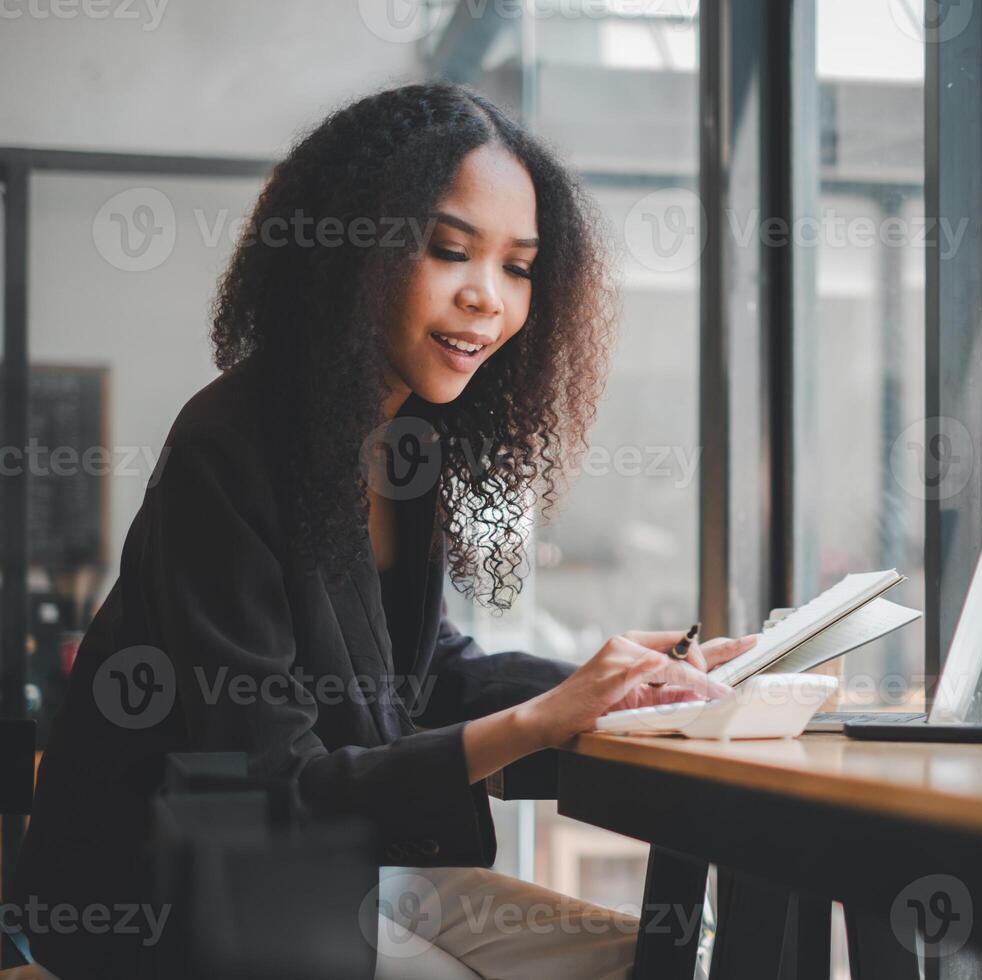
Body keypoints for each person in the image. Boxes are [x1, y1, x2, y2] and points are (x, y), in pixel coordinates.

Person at [14, 82, 755, 979]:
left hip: (318, 880)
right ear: (351, 253)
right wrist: (537, 720)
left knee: (662, 958)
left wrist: (619, 684)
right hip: (171, 910)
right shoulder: (228, 446)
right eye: (450, 251)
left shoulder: (404, 446)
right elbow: (274, 780)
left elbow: (421, 673)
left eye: (519, 266)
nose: (489, 297)